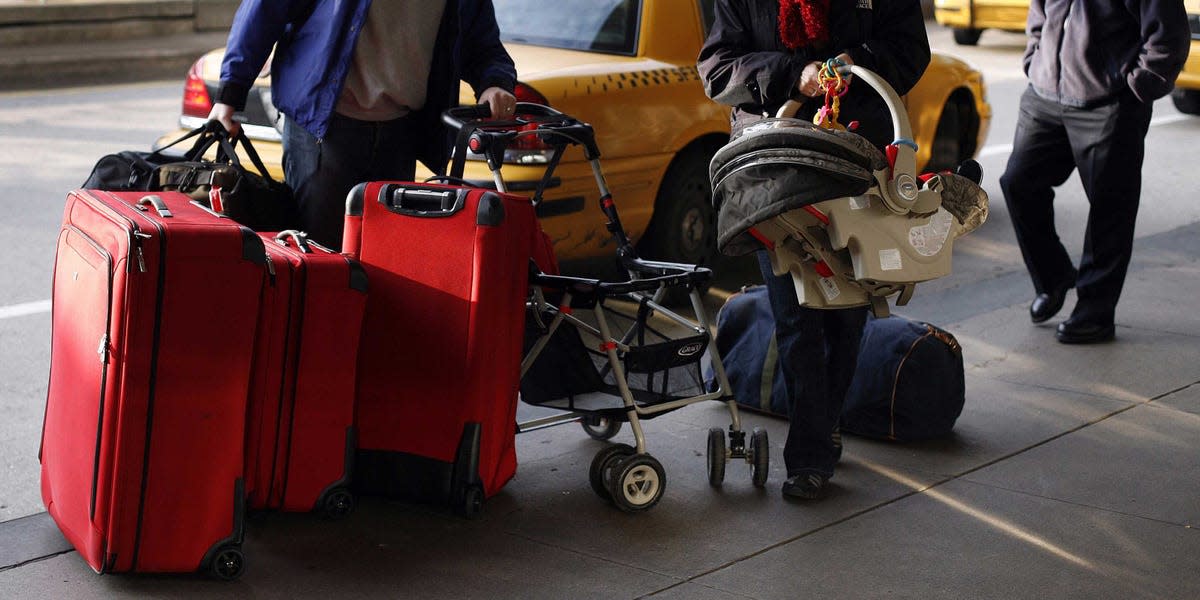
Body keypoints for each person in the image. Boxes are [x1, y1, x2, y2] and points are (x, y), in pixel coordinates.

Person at [698, 0, 930, 499]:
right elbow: (717, 69)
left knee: (847, 311)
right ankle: (809, 457)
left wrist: (854, 65)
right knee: (796, 315)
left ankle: (822, 424)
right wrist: (792, 74)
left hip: (857, 164)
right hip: (772, 167)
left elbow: (911, 49)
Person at [207, 0, 518, 249]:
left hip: (401, 135)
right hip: (326, 131)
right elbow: (264, 10)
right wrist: (229, 96)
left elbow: (481, 43)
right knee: (318, 257)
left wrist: (493, 83)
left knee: (383, 262)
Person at [1000, 0, 1188, 344]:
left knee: (1109, 209)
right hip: (1044, 96)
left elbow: (1169, 34)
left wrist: (1136, 87)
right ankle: (1054, 276)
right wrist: (1035, 58)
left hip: (1109, 102)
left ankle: (1095, 312)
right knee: (1017, 183)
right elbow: (1039, 11)